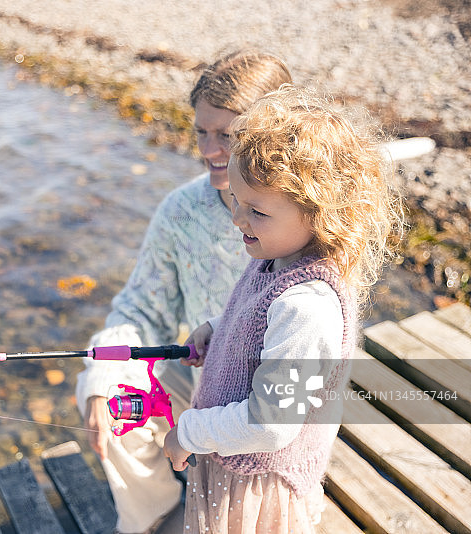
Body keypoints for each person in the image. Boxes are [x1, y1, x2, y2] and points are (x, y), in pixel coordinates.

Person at [163, 85, 403, 533]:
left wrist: (187, 431)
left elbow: (271, 424)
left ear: (320, 215)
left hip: (257, 484)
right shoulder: (277, 258)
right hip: (233, 464)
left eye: (256, 210)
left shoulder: (308, 307)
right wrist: (220, 329)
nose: (238, 218)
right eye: (236, 199)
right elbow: (258, 322)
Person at [75, 50, 293, 534]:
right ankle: (149, 518)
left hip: (269, 409)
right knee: (107, 390)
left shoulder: (300, 222)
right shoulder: (181, 210)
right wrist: (102, 371)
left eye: (228, 136)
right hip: (197, 385)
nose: (210, 150)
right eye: (201, 132)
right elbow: (139, 307)